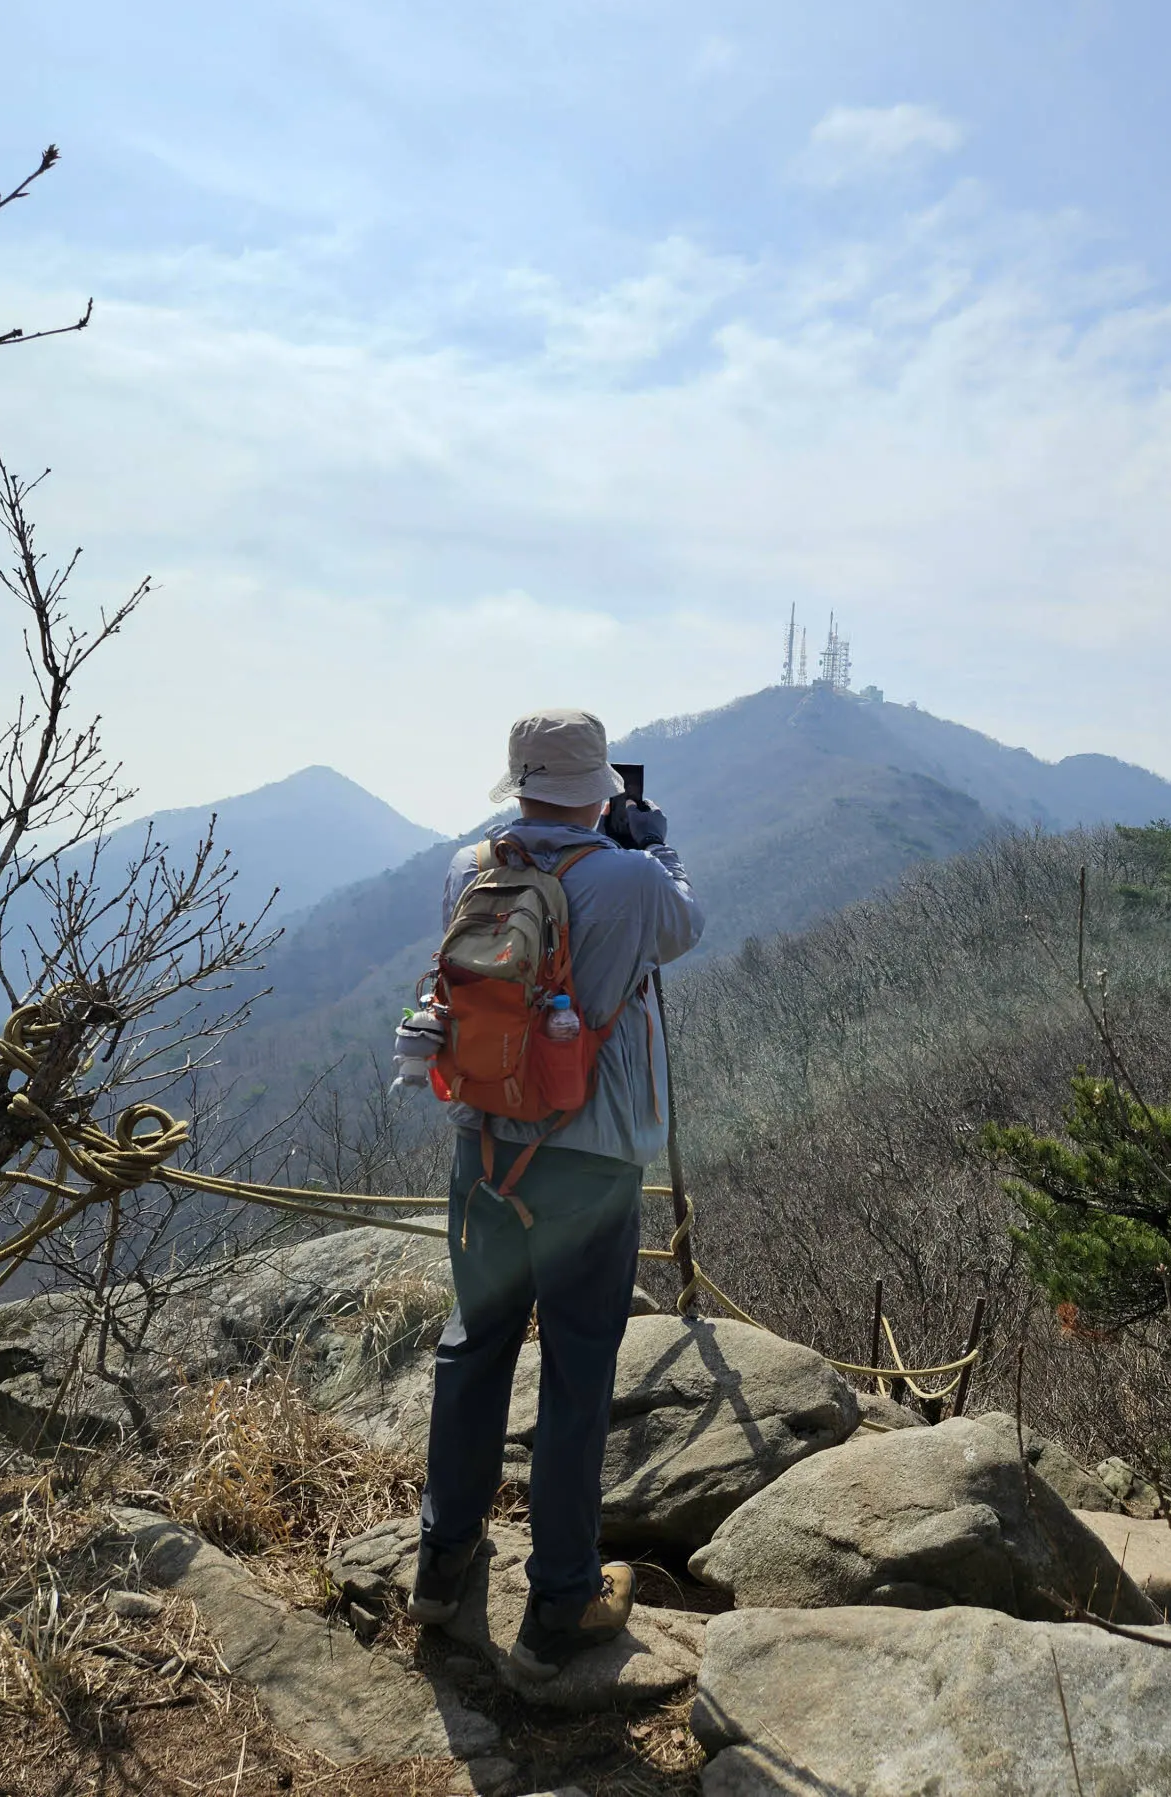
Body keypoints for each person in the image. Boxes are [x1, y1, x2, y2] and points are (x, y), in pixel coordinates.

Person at [408, 707, 705, 1679]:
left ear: (516, 779)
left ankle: (442, 1566)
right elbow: (683, 925)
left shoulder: (467, 867)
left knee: (474, 1343)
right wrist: (654, 847)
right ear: (603, 789)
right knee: (578, 1374)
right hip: (589, 1158)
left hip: (484, 1147)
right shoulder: (629, 877)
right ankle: (562, 1600)